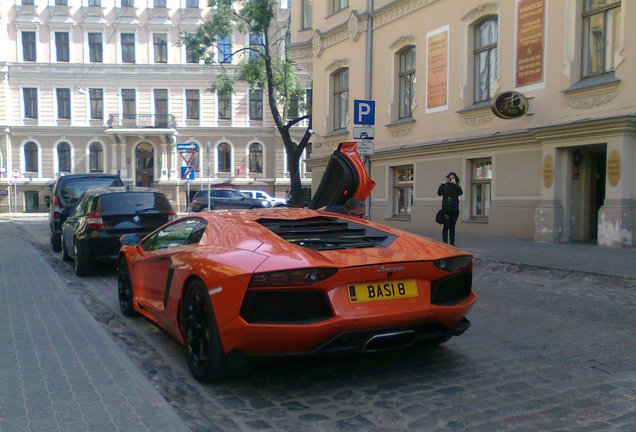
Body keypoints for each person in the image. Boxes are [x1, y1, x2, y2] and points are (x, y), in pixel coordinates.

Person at [437, 172, 463, 245]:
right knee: (446, 226)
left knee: (452, 227)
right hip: (446, 209)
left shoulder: (456, 187)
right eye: (450, 177)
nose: (451, 179)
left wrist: (455, 185)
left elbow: (460, 193)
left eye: (453, 177)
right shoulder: (445, 186)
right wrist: (442, 184)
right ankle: (445, 243)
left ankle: (452, 243)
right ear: (448, 178)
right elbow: (439, 193)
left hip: (454, 210)